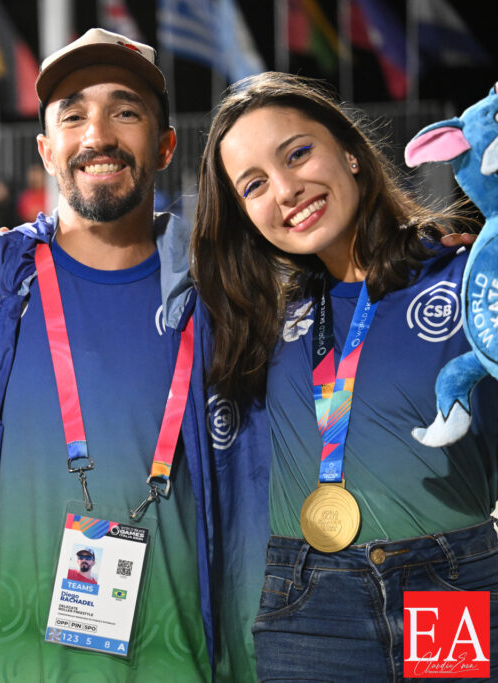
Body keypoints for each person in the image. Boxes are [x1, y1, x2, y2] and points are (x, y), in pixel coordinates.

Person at [0, 28, 255, 680]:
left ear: (165, 143)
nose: (98, 134)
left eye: (125, 111)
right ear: (46, 149)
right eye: (74, 115)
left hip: (179, 664)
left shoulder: (226, 290)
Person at [192, 72, 498, 681]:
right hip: (311, 606)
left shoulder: (467, 276)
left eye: (298, 153)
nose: (285, 190)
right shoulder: (256, 318)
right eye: (253, 185)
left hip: (448, 587)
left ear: (352, 154)